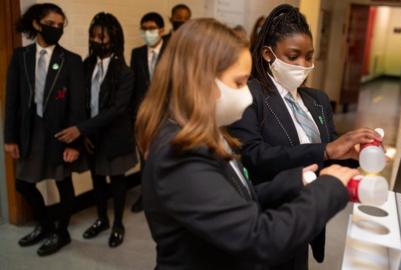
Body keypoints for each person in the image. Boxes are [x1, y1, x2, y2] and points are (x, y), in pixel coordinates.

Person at [136, 18, 359, 270]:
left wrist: (293, 180)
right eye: (239, 83)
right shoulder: (178, 152)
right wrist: (329, 188)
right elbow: (259, 239)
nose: (246, 93)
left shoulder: (209, 133)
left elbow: (234, 197)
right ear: (201, 80)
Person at [228, 5, 382, 270]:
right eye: (293, 56)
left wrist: (356, 155)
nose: (303, 65)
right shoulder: (250, 96)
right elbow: (254, 154)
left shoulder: (318, 100)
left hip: (307, 215)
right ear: (268, 54)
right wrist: (326, 150)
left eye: (309, 57)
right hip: (269, 217)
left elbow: (331, 154)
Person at [4, 3, 86, 256]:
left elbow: (78, 106)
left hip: (60, 133)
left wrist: (74, 142)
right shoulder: (20, 57)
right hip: (30, 131)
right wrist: (10, 137)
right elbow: (12, 100)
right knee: (23, 184)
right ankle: (46, 225)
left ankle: (61, 233)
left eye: (60, 25)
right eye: (51, 24)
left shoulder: (71, 60)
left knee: (63, 183)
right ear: (37, 24)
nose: (56, 29)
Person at [56, 12, 137, 248]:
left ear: (113, 39)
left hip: (115, 137)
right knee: (97, 180)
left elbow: (116, 109)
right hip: (92, 137)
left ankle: (118, 224)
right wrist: (86, 134)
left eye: (102, 37)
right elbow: (81, 101)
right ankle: (102, 219)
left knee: (117, 181)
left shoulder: (125, 72)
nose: (96, 41)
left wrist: (80, 129)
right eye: (93, 36)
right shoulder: (86, 64)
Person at [129, 12, 166, 213]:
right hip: (144, 115)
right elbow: (134, 87)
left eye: (151, 29)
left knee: (165, 155)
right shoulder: (136, 53)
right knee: (145, 156)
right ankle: (145, 195)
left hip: (166, 115)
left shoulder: (171, 52)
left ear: (161, 30)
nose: (147, 33)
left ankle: (164, 195)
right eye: (144, 29)